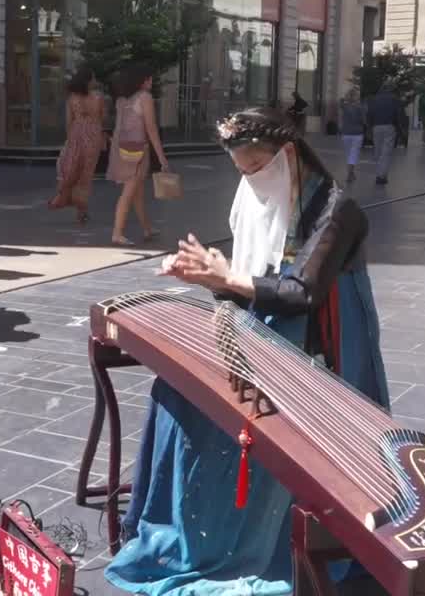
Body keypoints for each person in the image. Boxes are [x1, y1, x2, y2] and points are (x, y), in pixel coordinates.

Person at [105, 106, 390, 595]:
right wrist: (212, 276)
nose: (250, 179)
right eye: (240, 170)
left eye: (255, 168)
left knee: (219, 424)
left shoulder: (335, 209)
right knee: (172, 396)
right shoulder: (255, 198)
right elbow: (249, 284)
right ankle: (182, 533)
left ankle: (243, 540)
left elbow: (300, 292)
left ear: (286, 155)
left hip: (322, 346)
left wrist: (226, 277)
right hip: (269, 333)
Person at [108, 65, 168, 246]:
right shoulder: (145, 98)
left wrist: (115, 153)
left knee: (137, 193)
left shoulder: (122, 100)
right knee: (129, 192)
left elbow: (118, 129)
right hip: (138, 151)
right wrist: (162, 157)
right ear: (142, 81)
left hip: (123, 149)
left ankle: (147, 228)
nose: (151, 82)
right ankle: (117, 233)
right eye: (149, 79)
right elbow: (151, 130)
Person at [49, 66, 105, 223]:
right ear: (87, 81)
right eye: (93, 78)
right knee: (86, 175)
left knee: (69, 168)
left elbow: (68, 122)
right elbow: (101, 118)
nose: (95, 81)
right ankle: (82, 210)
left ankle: (63, 197)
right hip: (93, 137)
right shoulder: (98, 98)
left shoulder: (72, 99)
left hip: (76, 136)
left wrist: (70, 140)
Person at [364, 82, 401, 185]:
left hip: (376, 127)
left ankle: (381, 174)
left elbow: (369, 114)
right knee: (386, 153)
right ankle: (381, 176)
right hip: (389, 126)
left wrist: (369, 127)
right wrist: (398, 127)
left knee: (378, 151)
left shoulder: (374, 99)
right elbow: (397, 114)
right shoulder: (394, 99)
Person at [338, 87, 366, 183]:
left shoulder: (344, 106)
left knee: (348, 154)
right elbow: (363, 121)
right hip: (357, 134)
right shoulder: (360, 107)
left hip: (346, 133)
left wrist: (346, 98)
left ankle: (351, 173)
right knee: (353, 154)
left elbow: (340, 100)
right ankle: (350, 173)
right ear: (356, 97)